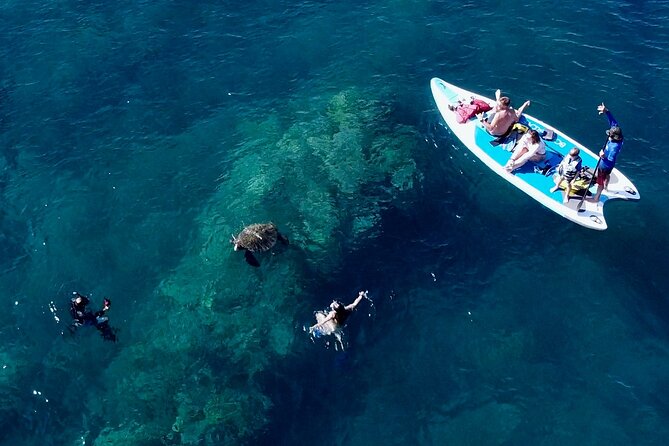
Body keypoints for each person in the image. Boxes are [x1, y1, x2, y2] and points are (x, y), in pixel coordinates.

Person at [587, 103, 623, 203]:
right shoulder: (617, 131)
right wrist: (606, 111)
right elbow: (613, 122)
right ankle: (606, 187)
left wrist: (602, 156)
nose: (609, 136)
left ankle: (596, 198)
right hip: (609, 166)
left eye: (610, 136)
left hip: (605, 165)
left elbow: (610, 160)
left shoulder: (614, 148)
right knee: (607, 175)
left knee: (600, 182)